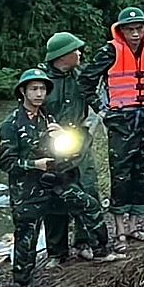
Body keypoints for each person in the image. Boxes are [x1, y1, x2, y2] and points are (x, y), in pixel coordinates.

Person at [0, 70, 123, 287]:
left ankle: (101, 250)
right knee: (27, 235)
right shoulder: (11, 124)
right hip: (28, 190)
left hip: (57, 180)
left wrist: (61, 135)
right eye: (34, 89)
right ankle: (24, 284)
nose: (38, 94)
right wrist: (34, 165)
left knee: (89, 205)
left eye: (42, 89)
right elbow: (7, 163)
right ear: (23, 92)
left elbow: (67, 149)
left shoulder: (48, 118)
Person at [78, 7, 144, 249]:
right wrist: (102, 109)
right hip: (121, 120)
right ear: (121, 30)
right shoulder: (109, 51)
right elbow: (85, 80)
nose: (135, 34)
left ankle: (134, 225)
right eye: (130, 29)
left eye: (139, 29)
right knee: (121, 174)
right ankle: (119, 232)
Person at [38, 32, 103, 264]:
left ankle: (85, 242)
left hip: (79, 145)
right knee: (54, 197)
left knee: (87, 190)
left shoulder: (82, 77)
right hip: (51, 147)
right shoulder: (40, 81)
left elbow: (98, 100)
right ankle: (57, 251)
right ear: (62, 56)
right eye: (75, 50)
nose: (79, 54)